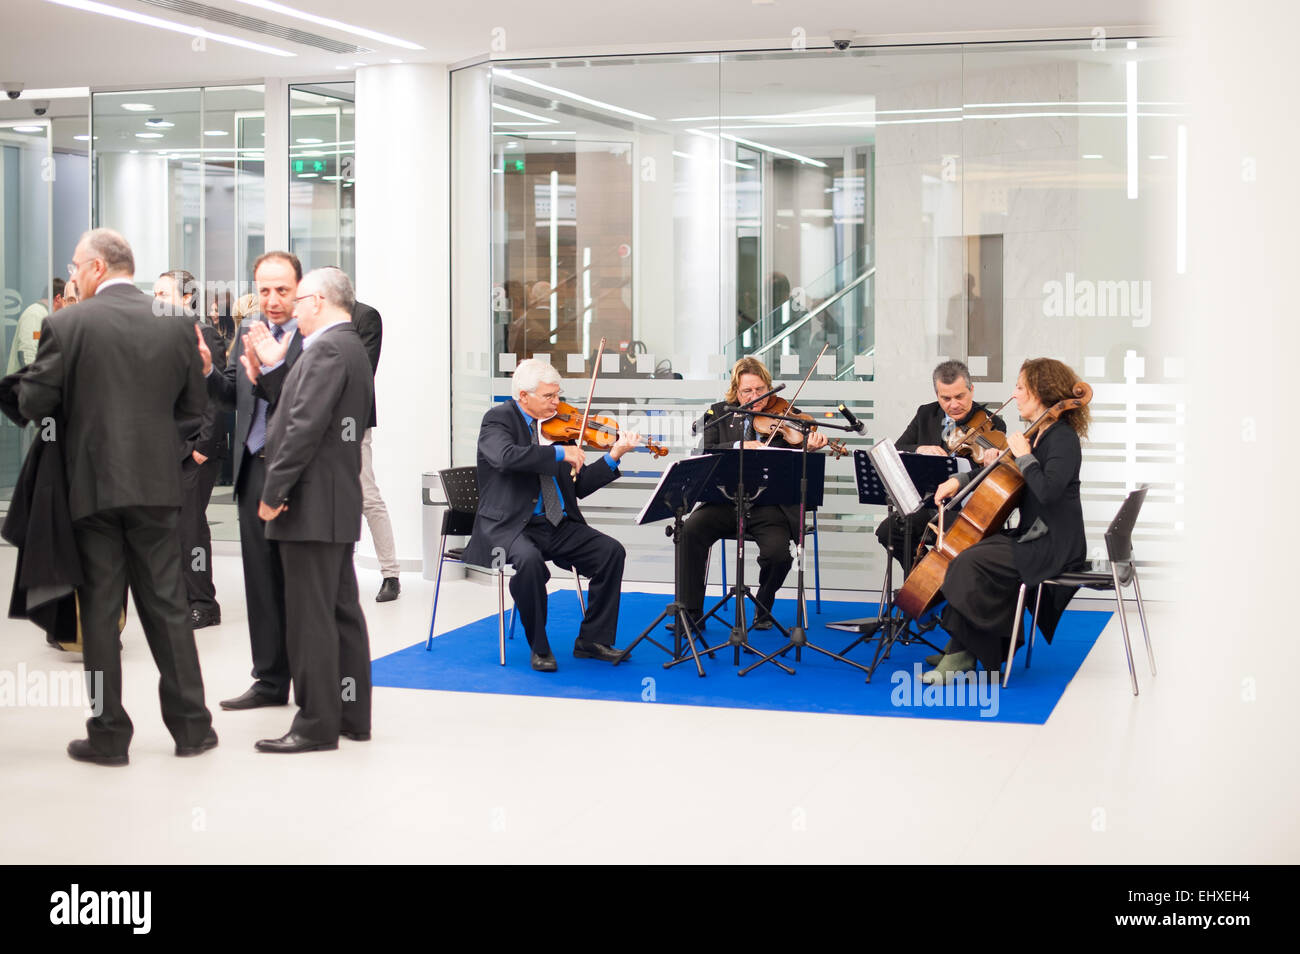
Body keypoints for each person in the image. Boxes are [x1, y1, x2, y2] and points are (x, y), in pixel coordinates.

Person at [18, 228, 216, 765]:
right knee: (170, 607)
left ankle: (108, 735)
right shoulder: (177, 321)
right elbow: (193, 410)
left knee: (101, 615)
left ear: (98, 268)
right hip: (157, 486)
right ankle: (193, 730)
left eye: (77, 266)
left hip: (94, 489)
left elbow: (35, 403)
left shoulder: (66, 323)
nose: (73, 275)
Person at [253, 268, 374, 753]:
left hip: (309, 504)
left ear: (318, 301)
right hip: (335, 502)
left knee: (310, 617)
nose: (290, 308)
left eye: (298, 299)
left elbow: (303, 426)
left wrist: (274, 490)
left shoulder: (325, 347)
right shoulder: (351, 347)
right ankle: (350, 714)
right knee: (341, 610)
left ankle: (315, 723)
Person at [462, 358, 640, 672]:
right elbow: (505, 458)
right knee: (530, 563)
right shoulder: (498, 420)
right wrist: (559, 452)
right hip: (511, 525)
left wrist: (613, 457)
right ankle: (539, 646)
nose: (557, 403)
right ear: (523, 396)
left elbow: (578, 487)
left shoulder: (559, 427)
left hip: (555, 523)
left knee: (611, 552)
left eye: (557, 394)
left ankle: (592, 640)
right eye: (549, 397)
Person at [923, 357, 1090, 684]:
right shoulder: (1040, 432)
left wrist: (1025, 455)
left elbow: (1049, 492)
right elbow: (1004, 468)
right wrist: (960, 480)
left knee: (973, 562)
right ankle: (965, 648)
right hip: (1034, 535)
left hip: (1054, 544)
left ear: (1041, 393)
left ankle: (963, 654)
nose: (1014, 394)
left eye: (1020, 388)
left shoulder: (1062, 438)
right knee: (968, 554)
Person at [198, 251, 303, 711]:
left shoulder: (314, 339)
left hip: (296, 473)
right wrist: (205, 371)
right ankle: (269, 681)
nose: (273, 300)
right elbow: (231, 394)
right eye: (264, 290)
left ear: (299, 288)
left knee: (299, 582)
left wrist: (272, 370)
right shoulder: (246, 331)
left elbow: (303, 406)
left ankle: (313, 682)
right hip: (252, 467)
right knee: (260, 582)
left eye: (282, 290)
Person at [678, 356, 828, 632]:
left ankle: (764, 602)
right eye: (748, 391)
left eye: (760, 389)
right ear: (736, 391)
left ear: (769, 387)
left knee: (778, 556)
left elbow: (799, 462)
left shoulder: (785, 415)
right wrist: (739, 444)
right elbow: (704, 451)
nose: (755, 396)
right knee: (690, 530)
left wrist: (810, 446)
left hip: (770, 507)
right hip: (725, 501)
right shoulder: (719, 413)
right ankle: (690, 612)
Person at [877, 359, 1006, 577]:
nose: (953, 404)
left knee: (958, 541)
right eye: (945, 398)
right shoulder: (926, 414)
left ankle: (943, 589)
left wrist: (989, 462)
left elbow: (992, 474)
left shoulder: (993, 423)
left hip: (965, 509)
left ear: (971, 390)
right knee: (888, 531)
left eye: (960, 397)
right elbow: (898, 448)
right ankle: (923, 580)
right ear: (937, 395)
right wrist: (921, 449)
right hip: (928, 504)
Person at [154, 269, 227, 628]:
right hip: (169, 448)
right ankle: (182, 598)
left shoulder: (206, 335)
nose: (157, 300)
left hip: (195, 450)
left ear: (186, 299)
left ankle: (203, 603)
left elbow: (216, 397)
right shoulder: (162, 337)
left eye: (164, 293)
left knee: (191, 528)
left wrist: (202, 447)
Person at [338, 279, 401, 602]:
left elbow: (361, 369)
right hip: (318, 423)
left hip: (352, 420)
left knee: (367, 496)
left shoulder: (365, 316)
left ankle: (391, 573)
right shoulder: (312, 317)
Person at [6, 277, 72, 376]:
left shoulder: (44, 315)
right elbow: (27, 355)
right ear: (58, 299)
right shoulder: (35, 314)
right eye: (67, 300)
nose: (68, 306)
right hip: (23, 387)